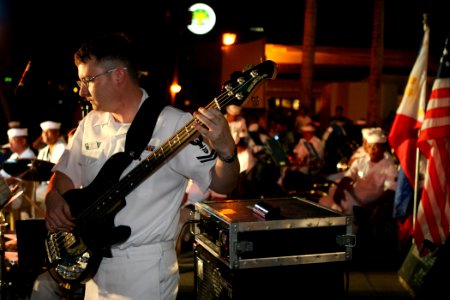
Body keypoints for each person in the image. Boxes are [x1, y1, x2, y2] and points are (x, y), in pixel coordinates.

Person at [37, 32, 239, 300]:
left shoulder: (173, 125)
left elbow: (223, 183)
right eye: (80, 81)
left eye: (88, 80)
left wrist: (226, 150)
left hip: (144, 270)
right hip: (93, 267)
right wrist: (53, 198)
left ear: (118, 75)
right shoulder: (90, 124)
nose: (82, 90)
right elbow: (64, 176)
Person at [0, 127, 36, 223]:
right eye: (9, 141)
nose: (10, 144)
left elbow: (16, 179)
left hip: (19, 195)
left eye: (13, 141)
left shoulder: (28, 157)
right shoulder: (14, 156)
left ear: (23, 141)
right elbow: (2, 174)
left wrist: (2, 183)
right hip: (8, 192)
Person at [35, 120, 67, 212]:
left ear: (57, 133)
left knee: (36, 194)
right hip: (44, 184)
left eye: (48, 132)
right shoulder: (44, 150)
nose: (45, 135)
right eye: (43, 132)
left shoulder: (63, 147)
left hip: (57, 185)